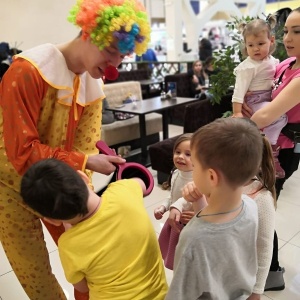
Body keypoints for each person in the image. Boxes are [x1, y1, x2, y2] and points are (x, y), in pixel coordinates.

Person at [0, 0, 151, 299]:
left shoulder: (93, 88)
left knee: (90, 265)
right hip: (9, 188)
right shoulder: (27, 72)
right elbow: (21, 151)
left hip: (61, 186)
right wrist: (85, 160)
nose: (115, 65)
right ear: (88, 31)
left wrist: (88, 193)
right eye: (111, 51)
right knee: (35, 274)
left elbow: (85, 144)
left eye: (122, 55)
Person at [20, 158, 168, 300]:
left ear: (52, 220)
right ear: (84, 177)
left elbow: (82, 288)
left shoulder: (68, 245)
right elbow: (141, 183)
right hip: (160, 294)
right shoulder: (124, 191)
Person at [165, 117, 263, 299]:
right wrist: (199, 200)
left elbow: (179, 295)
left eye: (195, 165)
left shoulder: (193, 238)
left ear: (211, 177)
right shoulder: (250, 205)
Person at [248, 7, 300, 291]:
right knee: (256, 205)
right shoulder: (285, 64)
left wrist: (242, 119)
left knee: (262, 207)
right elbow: (261, 93)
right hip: (265, 146)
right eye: (285, 30)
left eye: (297, 31)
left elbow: (266, 116)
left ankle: (271, 272)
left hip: (283, 152)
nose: (288, 37)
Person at [232, 16, 287, 179]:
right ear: (245, 46)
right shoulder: (248, 66)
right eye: (250, 45)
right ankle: (269, 149)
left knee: (279, 118)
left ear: (271, 40)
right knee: (278, 117)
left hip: (267, 99)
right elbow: (238, 90)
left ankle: (268, 152)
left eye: (260, 44)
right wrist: (236, 112)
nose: (255, 49)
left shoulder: (274, 61)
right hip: (254, 100)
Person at [154, 133, 207, 270]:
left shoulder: (199, 179)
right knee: (175, 256)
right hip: (175, 223)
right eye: (177, 152)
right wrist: (164, 207)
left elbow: (193, 200)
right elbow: (173, 197)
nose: (181, 156)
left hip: (190, 226)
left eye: (188, 154)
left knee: (189, 260)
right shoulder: (176, 174)